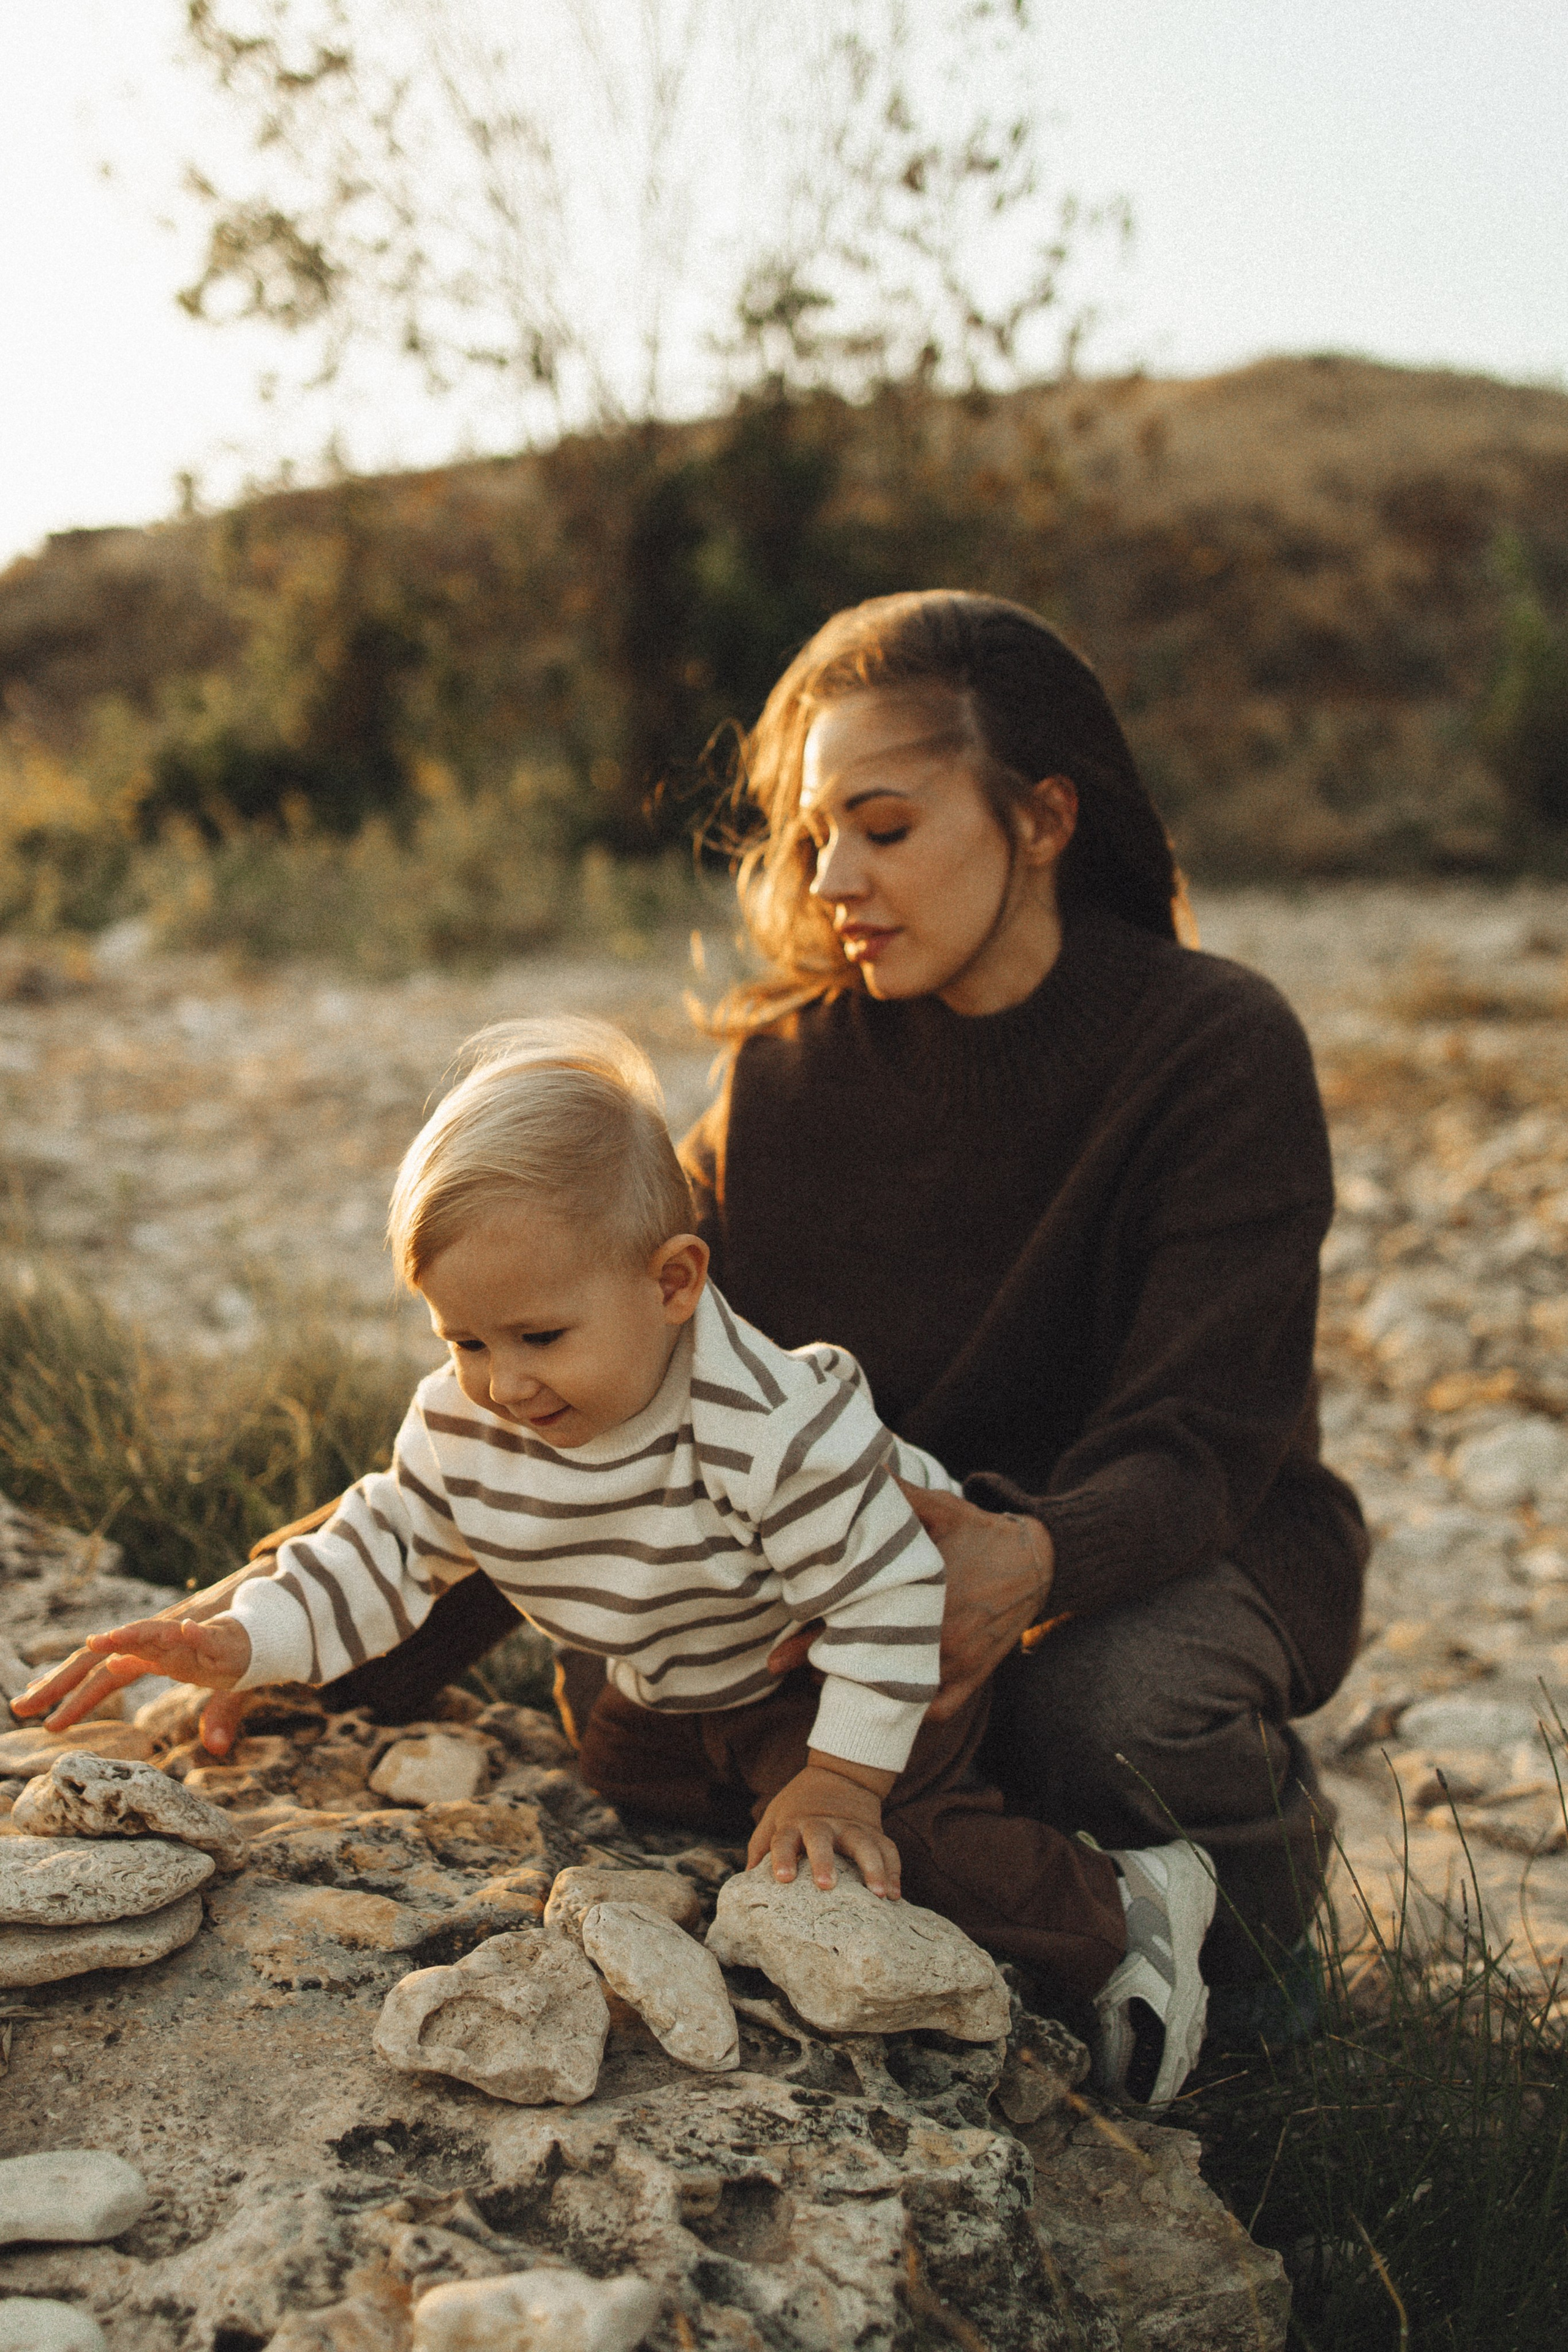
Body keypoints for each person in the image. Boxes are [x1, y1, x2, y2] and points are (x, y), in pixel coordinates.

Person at [214, 587, 1360, 2041]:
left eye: (883, 828)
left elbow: (1202, 1437)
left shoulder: (1217, 1048)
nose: (831, 876)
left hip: (1169, 1532)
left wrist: (1036, 1556)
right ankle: (1025, 1906)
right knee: (634, 1686)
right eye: (813, 834)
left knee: (1098, 1711)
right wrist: (287, 1651)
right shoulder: (785, 1079)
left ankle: (1258, 1945)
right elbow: (616, 1398)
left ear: (1045, 818)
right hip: (875, 1538)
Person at [20, 1016, 1218, 2111]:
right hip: (676, 1674)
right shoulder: (469, 1417)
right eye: (463, 1338)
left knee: (900, 1836)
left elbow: (892, 1586)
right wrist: (244, 1638)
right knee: (627, 1781)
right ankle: (761, 1788)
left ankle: (1123, 1910)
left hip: (851, 1659)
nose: (503, 1382)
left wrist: (840, 1780)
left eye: (539, 1336)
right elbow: (389, 1546)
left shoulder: (767, 1424)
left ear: (671, 1285)